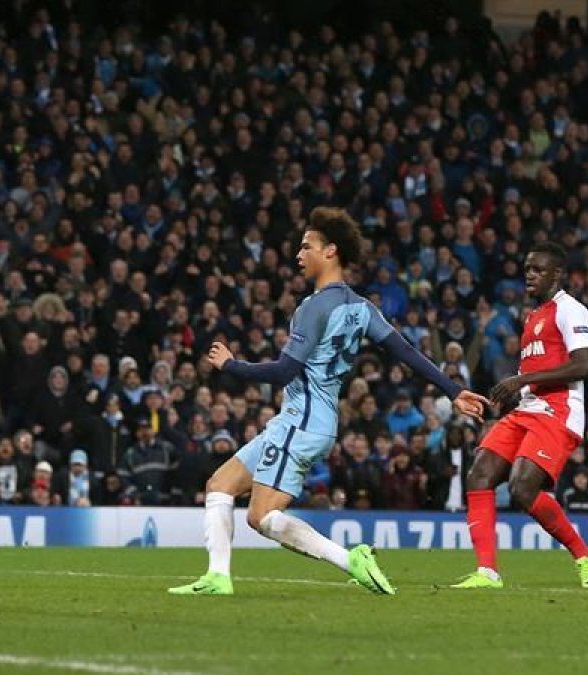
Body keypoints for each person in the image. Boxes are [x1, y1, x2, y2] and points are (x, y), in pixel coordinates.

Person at [169, 208, 488, 596]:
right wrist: (453, 391)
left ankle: (349, 559)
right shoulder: (362, 308)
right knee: (219, 485)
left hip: (301, 422)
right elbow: (406, 352)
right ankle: (217, 577)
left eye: (307, 246)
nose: (298, 255)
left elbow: (285, 371)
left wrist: (231, 364)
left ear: (330, 251)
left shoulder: (313, 307)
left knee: (262, 516)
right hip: (310, 420)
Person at [454, 242, 588, 590]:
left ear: (557, 274)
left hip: (557, 411)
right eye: (527, 270)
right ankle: (487, 573)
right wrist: (512, 395)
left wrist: (522, 379)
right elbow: (537, 367)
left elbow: (583, 365)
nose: (530, 276)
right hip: (526, 409)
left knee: (522, 490)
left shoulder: (571, 310)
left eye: (538, 270)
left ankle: (585, 556)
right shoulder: (533, 316)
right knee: (480, 475)